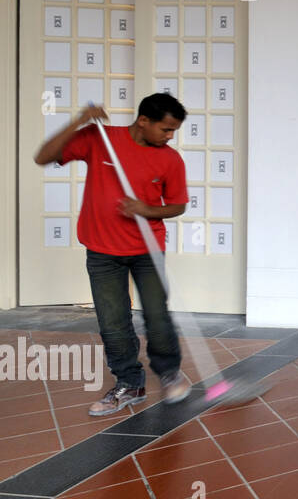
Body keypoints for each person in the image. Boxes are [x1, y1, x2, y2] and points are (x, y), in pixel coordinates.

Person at [33, 94, 192, 415]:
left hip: (148, 250)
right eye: (166, 129)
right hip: (102, 251)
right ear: (143, 121)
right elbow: (42, 157)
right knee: (113, 322)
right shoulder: (100, 139)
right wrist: (80, 121)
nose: (170, 136)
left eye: (174, 130)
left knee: (157, 317)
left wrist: (145, 209)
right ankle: (129, 383)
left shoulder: (170, 160)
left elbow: (178, 204)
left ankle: (169, 372)